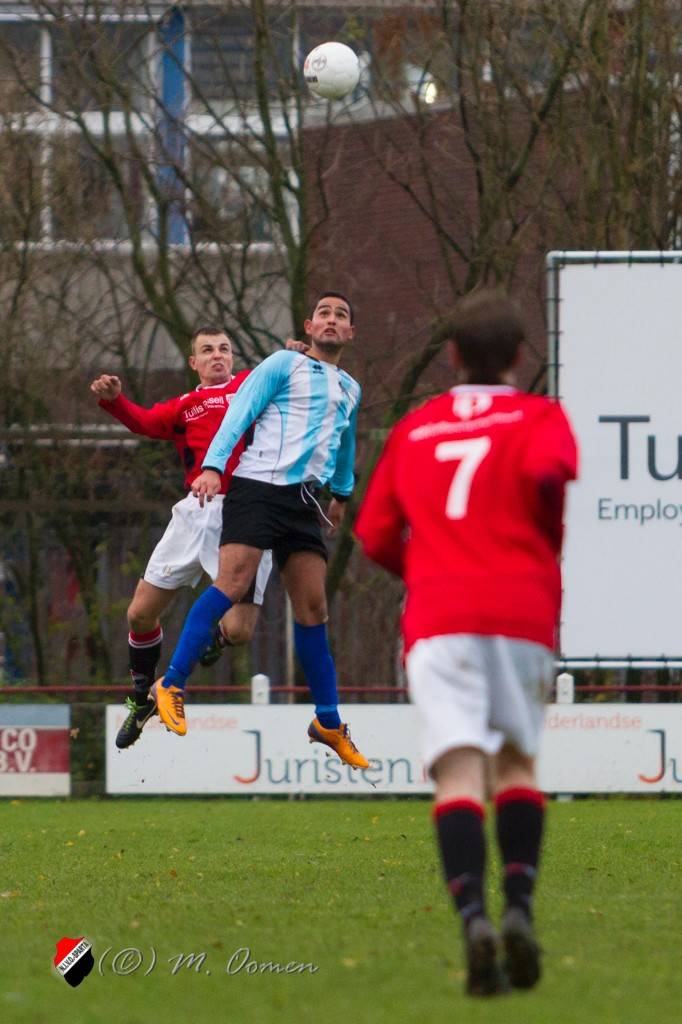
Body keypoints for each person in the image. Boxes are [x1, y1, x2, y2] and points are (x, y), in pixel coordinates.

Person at [354, 290, 578, 996]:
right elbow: (548, 475)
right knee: (515, 765)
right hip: (519, 611)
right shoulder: (541, 416)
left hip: (439, 617)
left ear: (450, 356)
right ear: (519, 356)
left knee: (457, 776)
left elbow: (374, 535)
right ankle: (519, 907)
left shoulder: (416, 427)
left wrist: (428, 572)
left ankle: (474, 918)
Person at [151, 292, 369, 770]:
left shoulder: (351, 388)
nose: (332, 320)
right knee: (231, 584)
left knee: (313, 608)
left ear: (351, 333)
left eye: (341, 315)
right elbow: (240, 412)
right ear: (309, 326)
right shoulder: (283, 364)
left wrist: (342, 494)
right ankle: (171, 683)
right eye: (324, 313)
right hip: (258, 488)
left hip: (304, 501)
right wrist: (212, 466)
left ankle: (328, 722)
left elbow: (345, 442)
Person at [91, 326, 273, 749]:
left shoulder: (250, 387)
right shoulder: (185, 406)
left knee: (240, 630)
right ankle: (142, 699)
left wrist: (297, 354)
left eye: (224, 349)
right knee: (139, 613)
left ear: (233, 358)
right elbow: (144, 421)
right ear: (193, 362)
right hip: (195, 513)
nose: (217, 355)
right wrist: (115, 400)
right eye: (207, 350)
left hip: (243, 514)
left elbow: (285, 378)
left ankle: (211, 641)